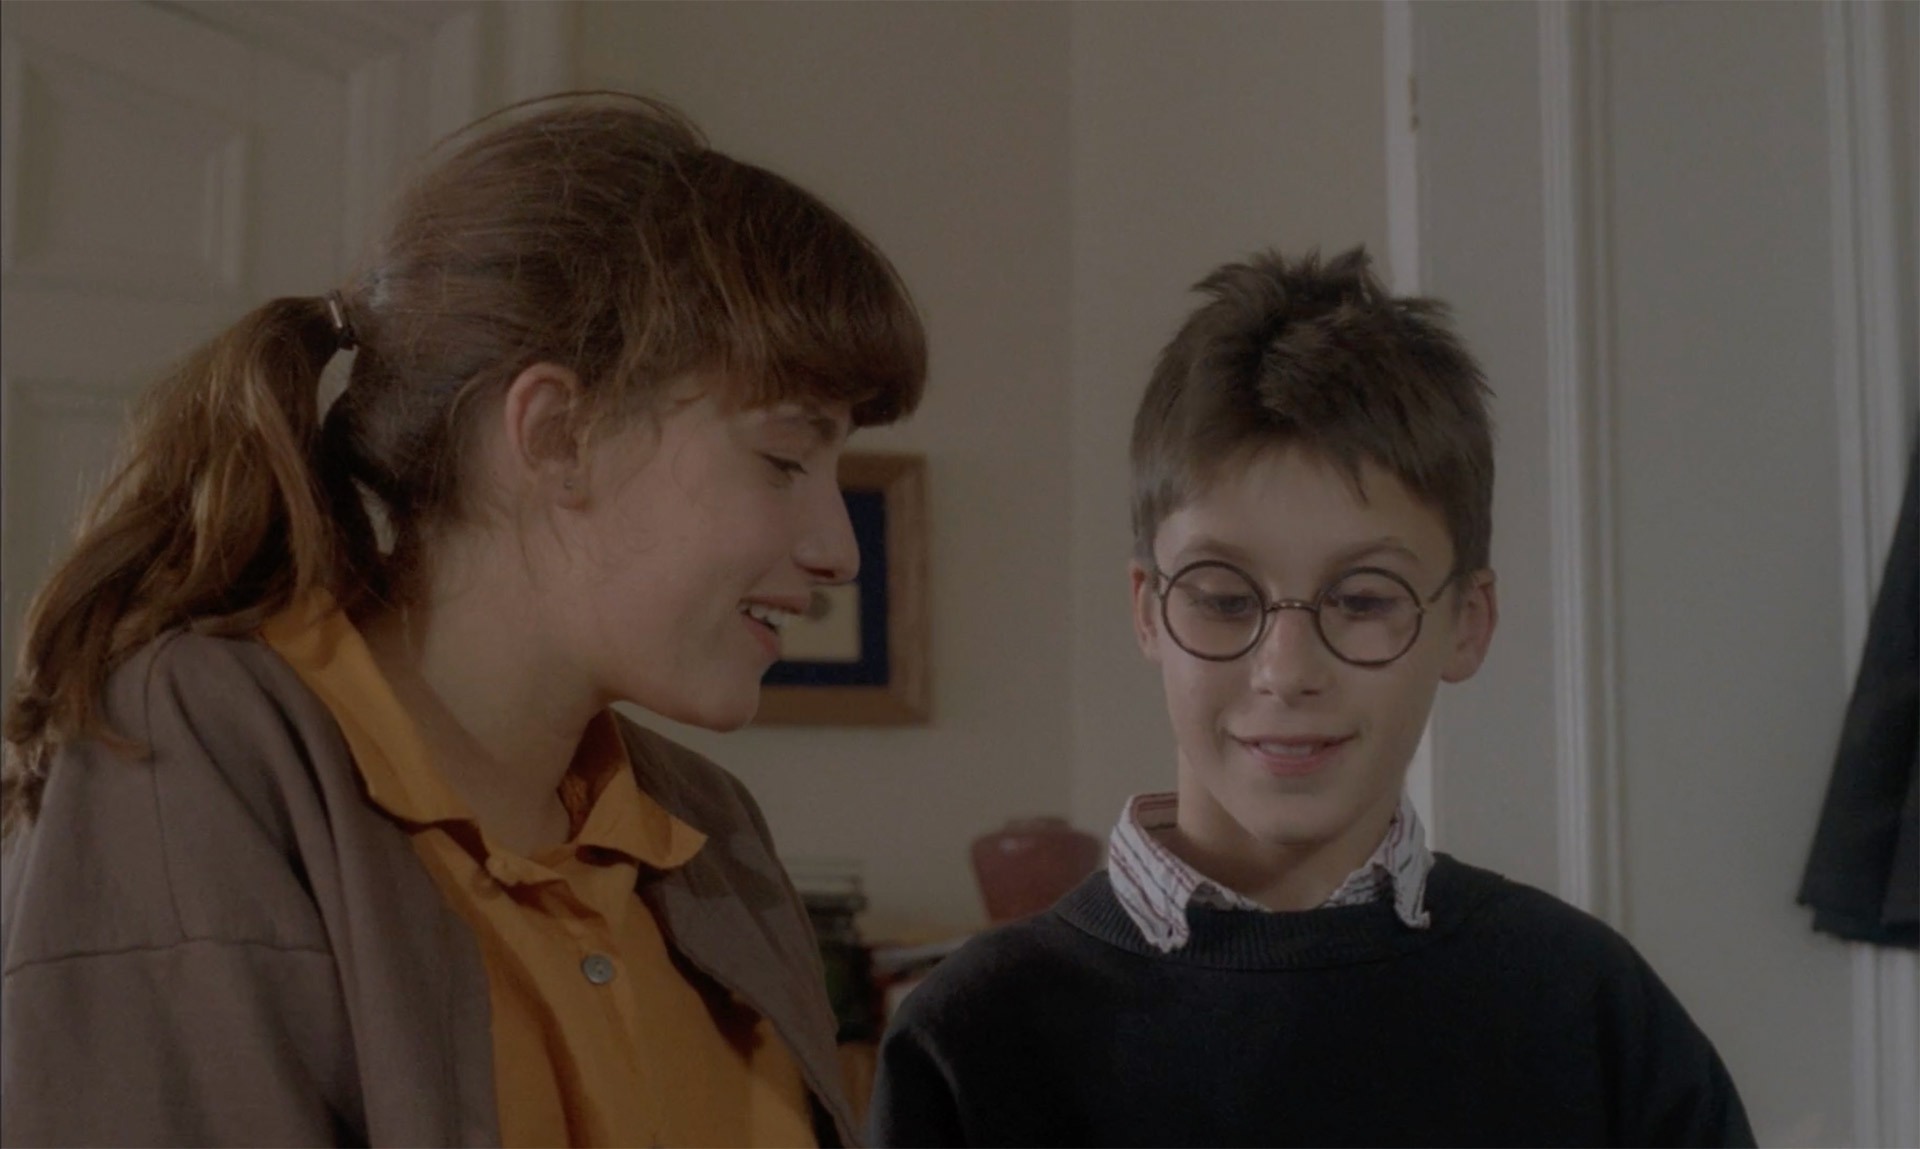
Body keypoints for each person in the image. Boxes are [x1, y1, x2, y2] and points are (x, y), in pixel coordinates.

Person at [1, 93, 925, 1148]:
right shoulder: (197, 751)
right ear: (557, 434)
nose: (840, 551)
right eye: (784, 459)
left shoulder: (715, 831)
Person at [868, 248, 1752, 1148]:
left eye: (1363, 600)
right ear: (1147, 610)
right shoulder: (976, 1038)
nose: (1286, 669)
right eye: (1223, 598)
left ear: (1467, 622)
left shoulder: (1589, 1009)